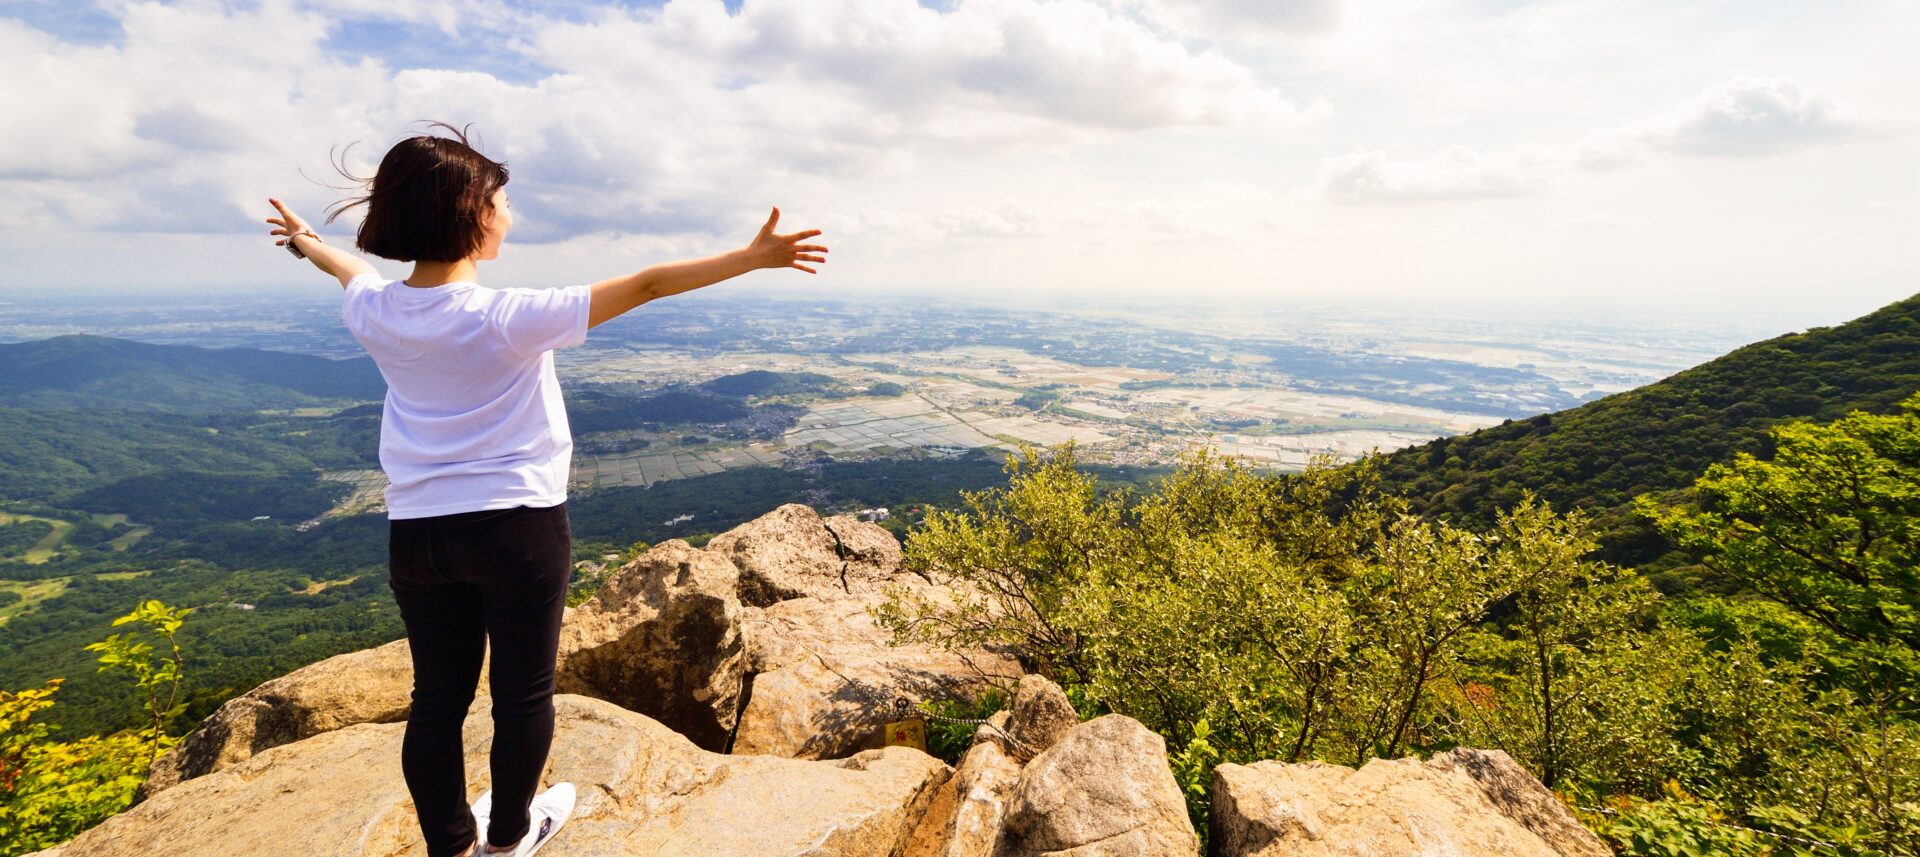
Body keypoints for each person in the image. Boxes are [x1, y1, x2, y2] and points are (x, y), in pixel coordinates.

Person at [263, 121, 827, 857]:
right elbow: (651, 283)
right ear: (468, 212)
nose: (508, 214)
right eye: (499, 200)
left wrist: (306, 240)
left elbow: (347, 270)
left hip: (419, 533)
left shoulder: (377, 312)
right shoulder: (507, 317)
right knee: (522, 695)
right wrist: (753, 259)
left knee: (436, 700)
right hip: (516, 529)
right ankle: (507, 839)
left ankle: (452, 847)